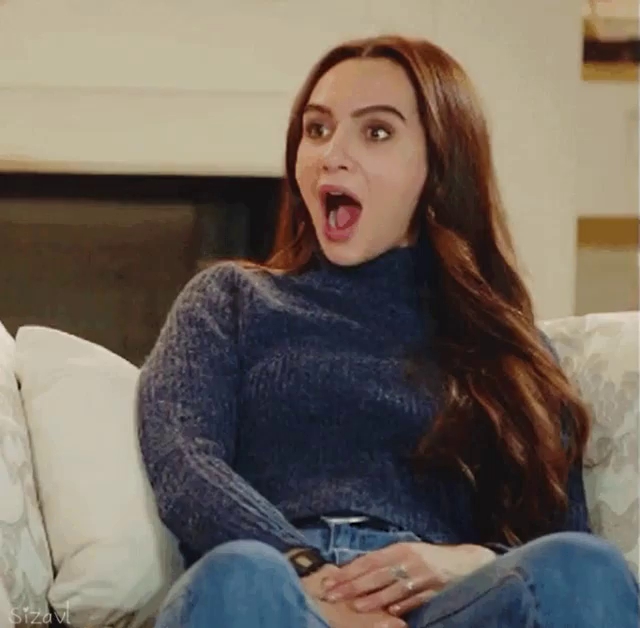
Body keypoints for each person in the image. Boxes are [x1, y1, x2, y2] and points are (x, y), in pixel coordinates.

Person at [136, 34, 639, 628]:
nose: (332, 155)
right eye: (317, 129)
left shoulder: (507, 348)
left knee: (583, 567)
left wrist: (463, 562)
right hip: (280, 596)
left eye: (375, 132)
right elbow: (183, 457)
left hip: (440, 607)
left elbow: (553, 539)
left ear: (439, 167)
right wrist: (308, 570)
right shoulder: (230, 299)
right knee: (239, 575)